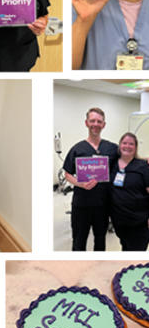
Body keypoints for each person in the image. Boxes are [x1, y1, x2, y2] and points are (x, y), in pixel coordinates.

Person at [63, 107, 118, 251]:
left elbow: (128, 157)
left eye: (99, 121)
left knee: (100, 241)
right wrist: (80, 184)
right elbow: (67, 174)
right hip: (82, 204)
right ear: (86, 123)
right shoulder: (78, 149)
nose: (96, 124)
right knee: (79, 241)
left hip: (103, 205)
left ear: (104, 125)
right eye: (92, 121)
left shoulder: (111, 148)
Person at [110, 133, 149, 251]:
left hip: (138, 222)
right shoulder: (112, 164)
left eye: (131, 144)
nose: (127, 146)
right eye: (124, 143)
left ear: (136, 147)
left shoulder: (143, 167)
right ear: (119, 145)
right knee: (125, 248)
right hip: (119, 221)